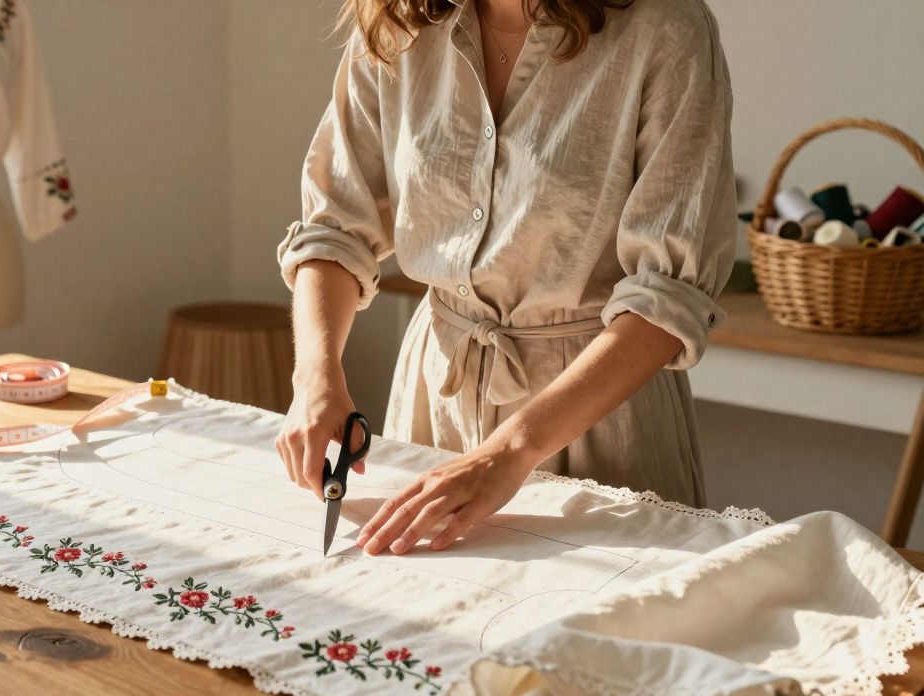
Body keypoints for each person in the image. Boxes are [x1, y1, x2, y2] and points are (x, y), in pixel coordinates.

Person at [275, 0, 735, 555]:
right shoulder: (398, 23)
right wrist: (315, 379)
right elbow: (335, 228)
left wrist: (512, 450)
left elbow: (668, 297)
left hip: (595, 414)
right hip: (433, 399)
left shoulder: (667, 28)